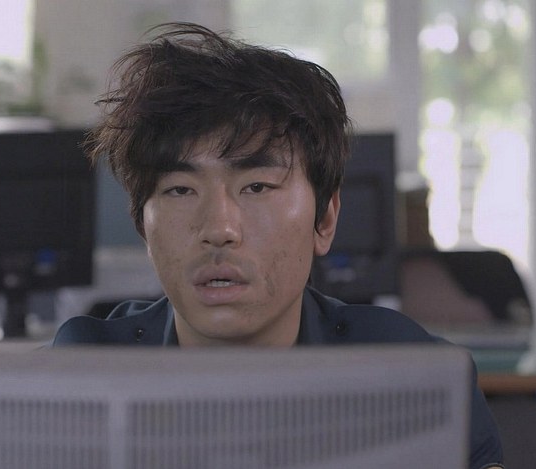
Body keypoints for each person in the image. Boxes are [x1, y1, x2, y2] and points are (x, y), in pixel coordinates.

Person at [53, 22, 503, 469]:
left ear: (324, 219)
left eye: (257, 187)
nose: (219, 229)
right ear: (142, 227)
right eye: (180, 190)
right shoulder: (76, 380)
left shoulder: (416, 381)